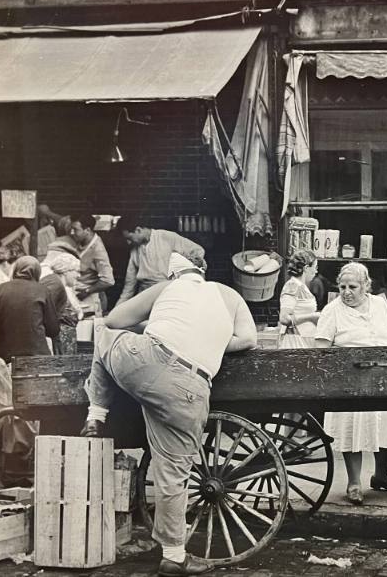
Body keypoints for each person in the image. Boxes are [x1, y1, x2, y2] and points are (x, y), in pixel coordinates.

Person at [80, 251, 257, 576]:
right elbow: (248, 338)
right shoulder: (229, 295)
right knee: (173, 473)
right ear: (202, 272)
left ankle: (96, 413)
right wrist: (212, 342)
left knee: (101, 333)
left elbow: (115, 320)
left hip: (146, 363)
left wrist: (153, 319)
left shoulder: (167, 287)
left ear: (174, 276)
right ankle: (174, 556)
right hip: (191, 387)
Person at [315, 262, 387, 505]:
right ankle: (354, 482)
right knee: (352, 429)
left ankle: (382, 475)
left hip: (382, 376)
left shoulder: (379, 304)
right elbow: (321, 351)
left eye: (353, 287)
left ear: (366, 286)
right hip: (350, 381)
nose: (347, 291)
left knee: (384, 425)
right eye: (343, 286)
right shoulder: (332, 311)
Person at [0, 256, 59, 362]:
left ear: (16, 270)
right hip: (37, 355)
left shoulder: (0, 289)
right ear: (37, 272)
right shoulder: (43, 291)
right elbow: (53, 330)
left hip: (5, 356)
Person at [116, 215, 205, 305]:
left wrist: (190, 267)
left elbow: (197, 250)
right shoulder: (135, 251)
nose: (128, 242)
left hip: (169, 292)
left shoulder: (166, 237)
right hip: (145, 294)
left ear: (138, 230)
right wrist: (117, 308)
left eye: (129, 238)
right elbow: (129, 285)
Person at [69, 214, 114, 317]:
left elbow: (108, 281)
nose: (72, 233)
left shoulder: (98, 250)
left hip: (89, 300)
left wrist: (87, 291)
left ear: (87, 230)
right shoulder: (78, 241)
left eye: (75, 229)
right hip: (75, 296)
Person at [40, 252, 82, 355]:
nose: (78, 275)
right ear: (66, 271)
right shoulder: (55, 284)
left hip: (60, 339)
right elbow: (43, 310)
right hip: (58, 340)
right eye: (76, 271)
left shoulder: (56, 282)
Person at [278, 249, 320, 345]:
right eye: (315, 267)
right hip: (295, 340)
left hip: (304, 338)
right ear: (306, 268)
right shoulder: (292, 285)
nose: (316, 271)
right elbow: (284, 318)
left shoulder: (301, 286)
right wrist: (312, 316)